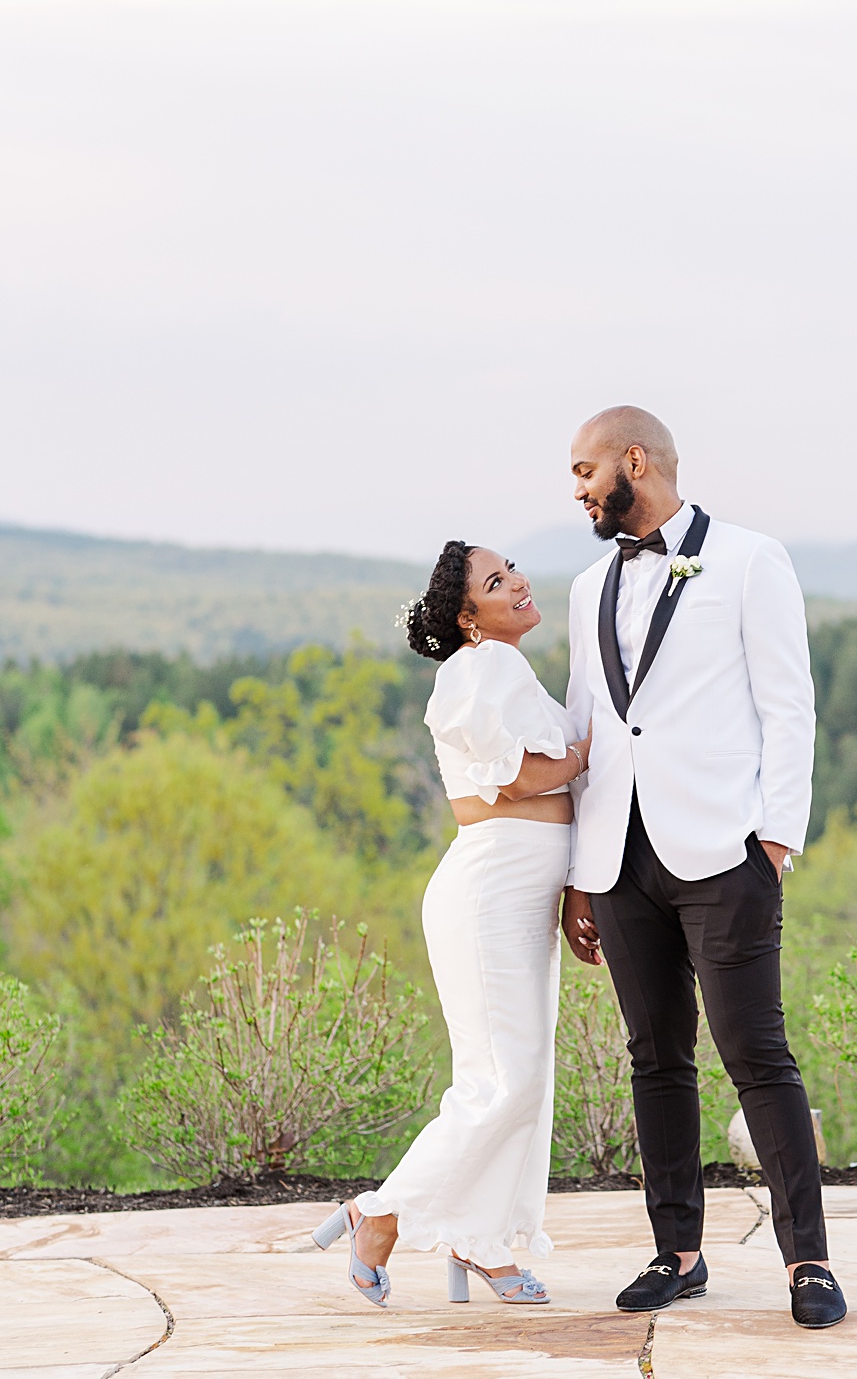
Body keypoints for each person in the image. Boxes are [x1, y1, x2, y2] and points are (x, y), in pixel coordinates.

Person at [561, 406, 846, 1330]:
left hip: (724, 853)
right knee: (656, 1060)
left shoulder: (751, 560)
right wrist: (579, 868)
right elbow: (586, 725)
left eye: (583, 471)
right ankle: (677, 1253)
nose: (576, 492)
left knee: (757, 1056)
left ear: (632, 461)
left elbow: (788, 705)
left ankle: (809, 1264)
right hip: (619, 857)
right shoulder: (583, 587)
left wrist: (774, 838)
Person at [311, 540, 589, 1309]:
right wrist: (591, 754)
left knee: (514, 1083)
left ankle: (485, 1241)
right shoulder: (483, 667)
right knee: (511, 1080)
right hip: (490, 890)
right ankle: (379, 1213)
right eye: (496, 584)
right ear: (470, 619)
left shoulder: (505, 665)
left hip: (516, 892)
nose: (518, 584)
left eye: (513, 569)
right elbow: (515, 777)